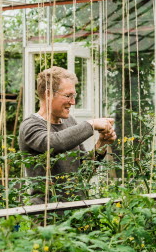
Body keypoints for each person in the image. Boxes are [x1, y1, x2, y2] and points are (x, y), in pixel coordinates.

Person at [18, 66, 116, 203]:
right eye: (68, 96)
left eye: (74, 96)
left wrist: (102, 144)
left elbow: (84, 171)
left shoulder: (70, 121)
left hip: (78, 211)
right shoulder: (30, 126)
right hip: (49, 217)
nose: (73, 102)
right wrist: (91, 124)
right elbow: (53, 143)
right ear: (48, 94)